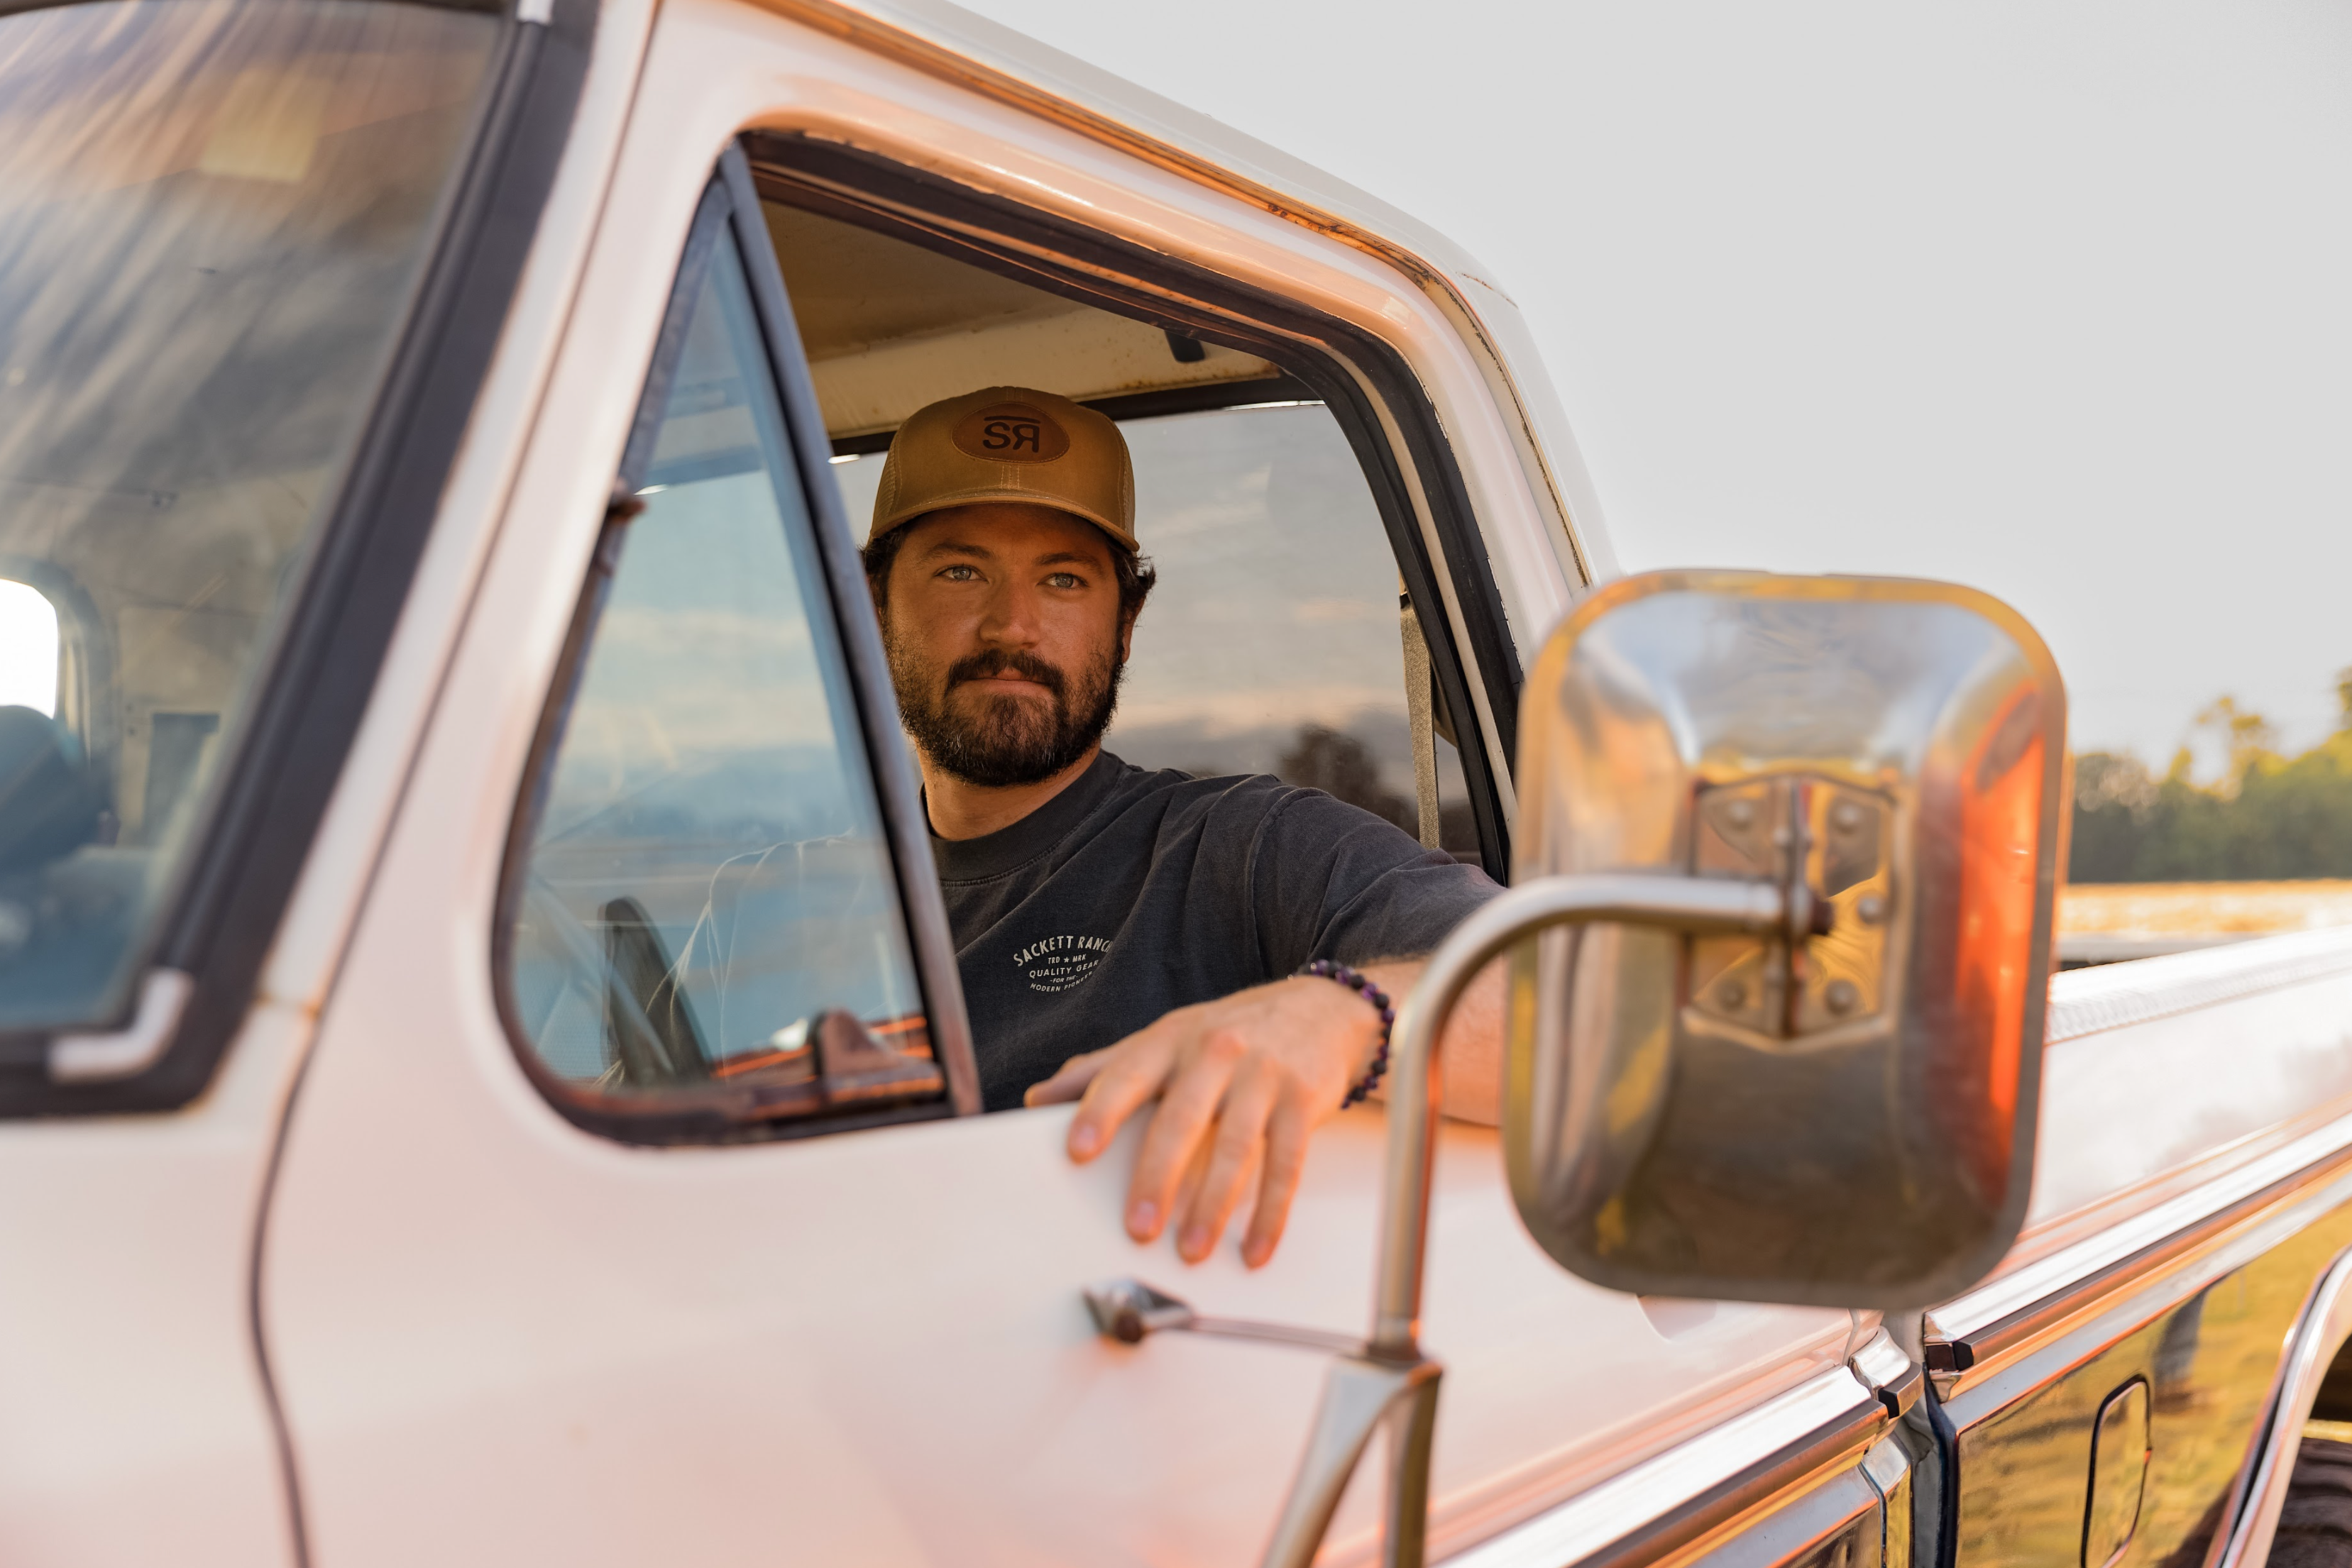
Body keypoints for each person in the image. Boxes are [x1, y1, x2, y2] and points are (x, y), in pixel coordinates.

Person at [861, 385, 1507, 1268]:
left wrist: (1341, 1017)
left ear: (1124, 625)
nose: (1012, 625)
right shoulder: (766, 902)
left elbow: (1574, 1008)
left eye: (1062, 579)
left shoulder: (1241, 848)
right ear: (873, 607)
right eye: (960, 571)